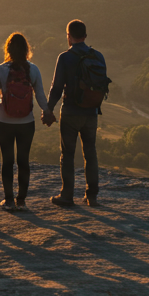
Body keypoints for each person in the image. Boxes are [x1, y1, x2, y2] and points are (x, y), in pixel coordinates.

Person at [0, 32, 49, 212]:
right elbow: (40, 95)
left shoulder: (1, 70)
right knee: (23, 160)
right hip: (27, 123)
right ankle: (22, 200)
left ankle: (9, 199)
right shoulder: (33, 70)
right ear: (27, 50)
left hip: (4, 122)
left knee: (7, 160)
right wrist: (47, 112)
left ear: (7, 49)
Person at [45, 19, 111, 207]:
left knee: (67, 153)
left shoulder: (65, 57)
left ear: (69, 36)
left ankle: (67, 196)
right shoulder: (98, 56)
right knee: (90, 152)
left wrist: (48, 109)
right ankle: (92, 196)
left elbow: (57, 88)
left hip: (71, 112)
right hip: (91, 112)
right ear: (85, 36)